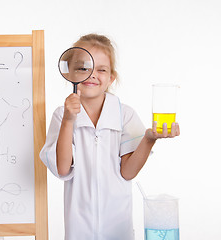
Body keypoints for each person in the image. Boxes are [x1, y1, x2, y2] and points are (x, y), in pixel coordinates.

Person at [39, 34, 180, 240]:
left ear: (111, 78)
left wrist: (149, 139)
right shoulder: (62, 115)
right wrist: (69, 120)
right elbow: (62, 169)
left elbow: (128, 172)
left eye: (101, 70)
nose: (92, 75)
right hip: (79, 230)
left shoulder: (125, 115)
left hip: (118, 230)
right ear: (69, 72)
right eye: (83, 68)